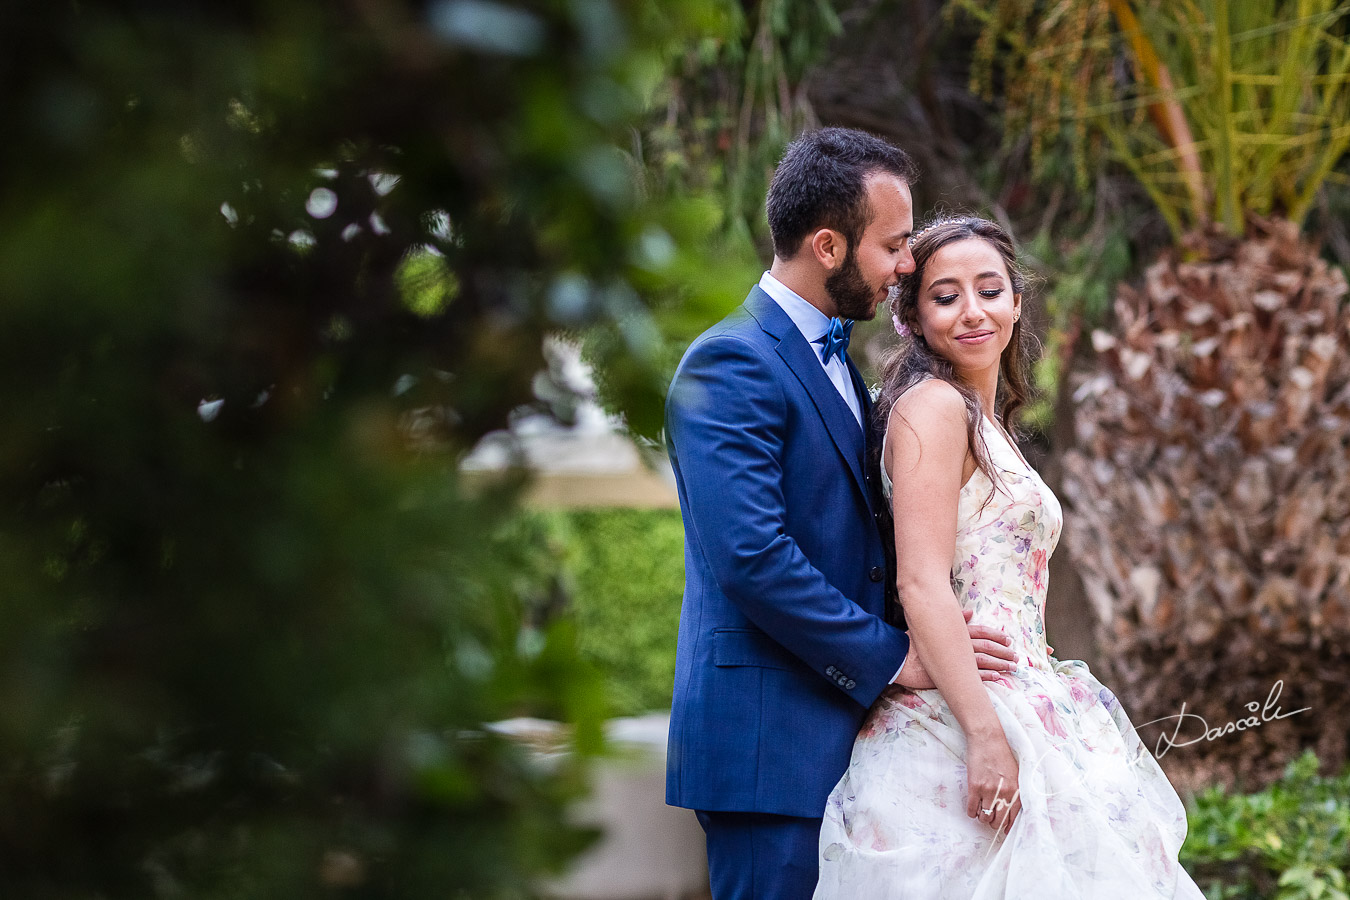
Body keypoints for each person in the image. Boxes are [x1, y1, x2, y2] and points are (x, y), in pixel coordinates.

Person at [664, 129, 1020, 900]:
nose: (905, 266)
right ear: (828, 245)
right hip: (770, 752)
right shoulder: (729, 363)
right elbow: (753, 557)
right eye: (893, 245)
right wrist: (897, 657)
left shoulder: (843, 367)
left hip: (858, 741)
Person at [813, 216, 1206, 899]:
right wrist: (986, 735)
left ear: (1017, 302)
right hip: (965, 714)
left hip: (1028, 695)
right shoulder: (932, 408)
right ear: (911, 315)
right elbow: (920, 579)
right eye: (945, 296)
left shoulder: (982, 419)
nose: (972, 311)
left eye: (990, 290)